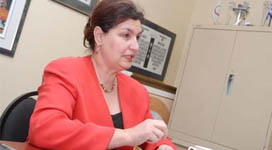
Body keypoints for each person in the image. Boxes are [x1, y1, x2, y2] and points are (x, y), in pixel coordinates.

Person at [28, 0, 177, 149]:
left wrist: (163, 146)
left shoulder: (137, 91)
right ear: (99, 37)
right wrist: (128, 136)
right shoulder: (65, 71)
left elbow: (153, 134)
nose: (136, 47)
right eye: (126, 35)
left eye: (137, 38)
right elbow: (45, 129)